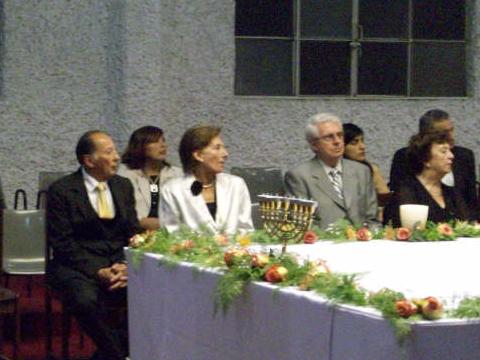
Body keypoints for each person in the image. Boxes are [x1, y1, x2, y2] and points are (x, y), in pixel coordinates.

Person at [47, 130, 141, 360]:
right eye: (109, 152)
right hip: (76, 266)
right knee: (85, 300)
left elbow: (133, 233)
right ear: (89, 160)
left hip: (117, 264)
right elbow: (62, 243)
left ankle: (105, 355)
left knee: (154, 292)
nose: (117, 157)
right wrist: (98, 270)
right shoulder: (62, 190)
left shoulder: (123, 186)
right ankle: (118, 355)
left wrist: (123, 265)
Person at [284, 113, 377, 229]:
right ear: (314, 145)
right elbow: (300, 224)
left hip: (362, 242)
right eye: (329, 137)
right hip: (323, 243)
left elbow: (372, 219)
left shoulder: (362, 171)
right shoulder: (299, 176)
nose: (337, 141)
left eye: (340, 135)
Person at [160, 125, 253, 234]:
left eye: (223, 148)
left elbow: (246, 231)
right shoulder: (172, 190)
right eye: (217, 148)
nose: (225, 154)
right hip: (192, 251)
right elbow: (171, 235)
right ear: (198, 155)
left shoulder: (236, 185)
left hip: (234, 250)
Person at [389, 109, 477, 214]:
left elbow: (471, 199)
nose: (450, 136)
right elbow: (397, 194)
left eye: (451, 130)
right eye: (443, 133)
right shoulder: (405, 157)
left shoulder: (464, 156)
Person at [387, 132, 473, 227]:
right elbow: (412, 232)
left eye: (450, 151)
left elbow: (466, 224)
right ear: (426, 159)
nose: (451, 156)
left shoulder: (451, 193)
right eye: (443, 151)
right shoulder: (407, 192)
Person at [118, 126, 182, 230]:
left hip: (172, 236)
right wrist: (170, 224)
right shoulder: (125, 175)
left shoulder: (177, 174)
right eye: (155, 141)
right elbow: (130, 218)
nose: (163, 145)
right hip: (136, 235)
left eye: (163, 141)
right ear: (140, 146)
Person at [343, 123, 389, 195]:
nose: (362, 146)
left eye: (362, 141)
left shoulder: (370, 169)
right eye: (354, 143)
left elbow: (385, 198)